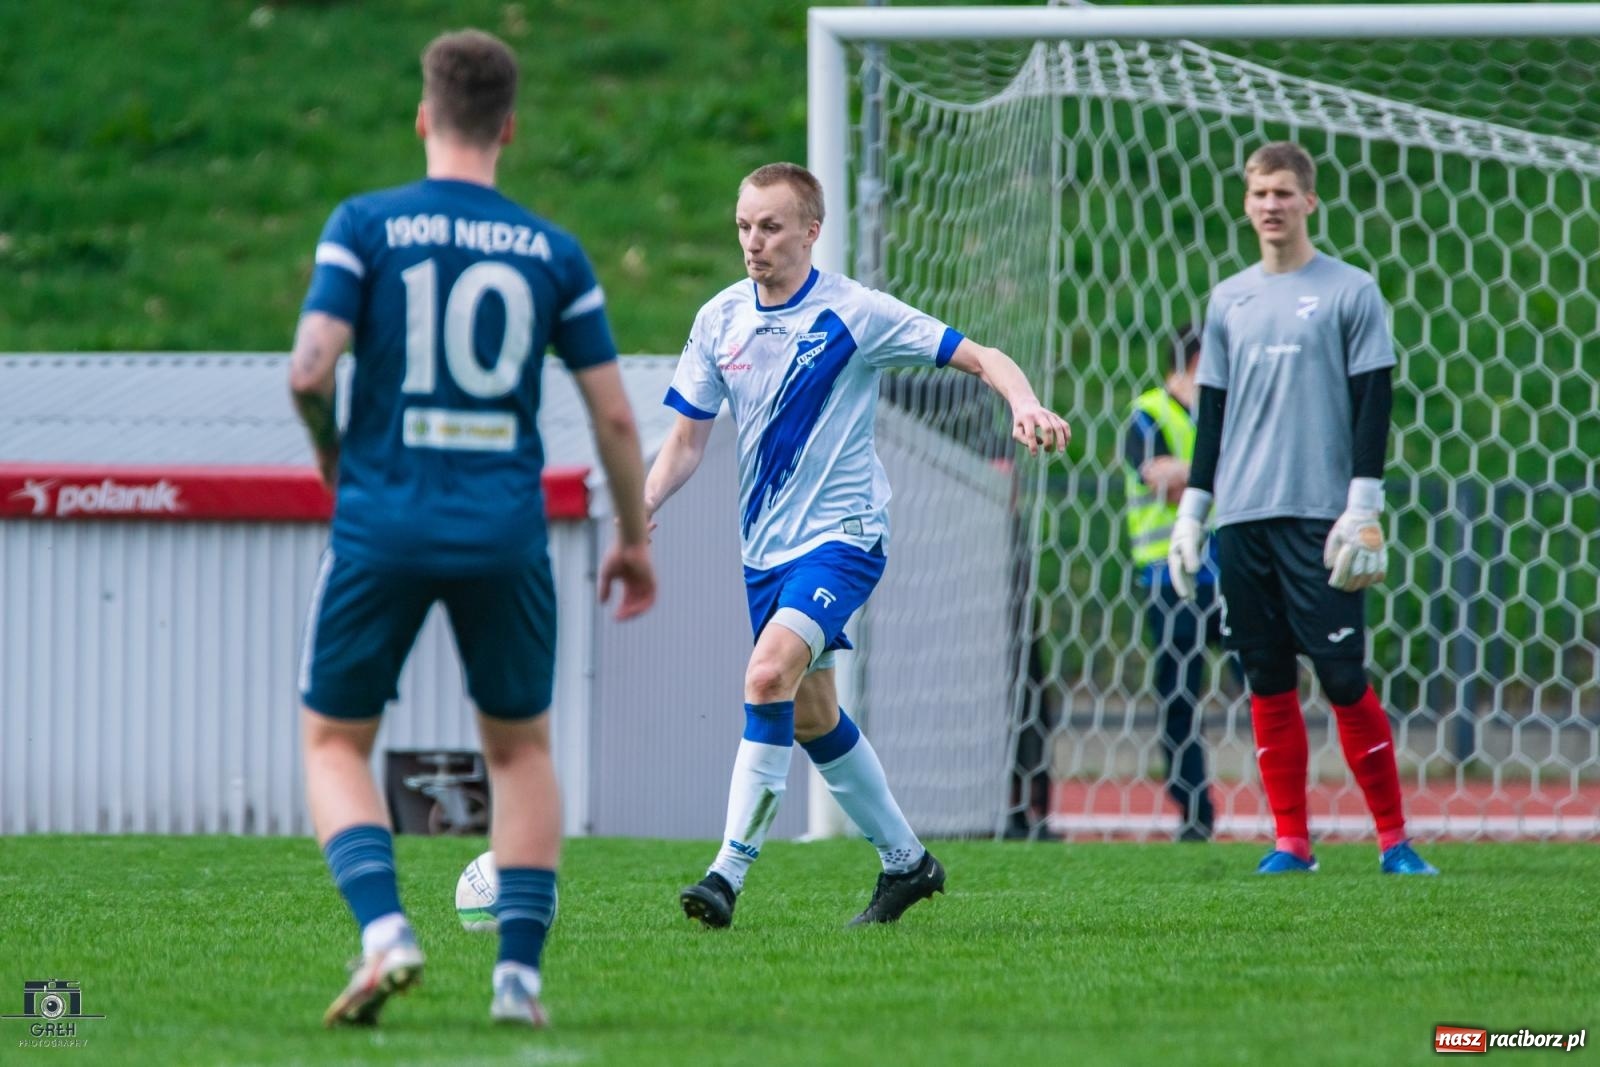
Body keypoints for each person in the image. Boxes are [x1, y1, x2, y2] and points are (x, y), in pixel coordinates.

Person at [288, 29, 656, 1028]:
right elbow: (616, 417)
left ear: (423, 116)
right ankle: (516, 980)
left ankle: (384, 931)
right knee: (520, 751)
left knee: (332, 740)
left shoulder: (362, 226)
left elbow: (309, 367)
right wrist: (633, 534)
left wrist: (331, 449)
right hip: (504, 527)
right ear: (509, 127)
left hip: (383, 520)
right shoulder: (552, 250)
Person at [644, 161, 1071, 928]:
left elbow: (979, 354)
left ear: (812, 230)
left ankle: (726, 874)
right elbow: (684, 441)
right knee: (811, 714)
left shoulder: (856, 313)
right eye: (743, 225)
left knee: (767, 673)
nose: (753, 242)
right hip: (765, 551)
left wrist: (1025, 401)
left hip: (844, 538)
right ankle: (908, 863)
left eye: (770, 226)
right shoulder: (719, 319)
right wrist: (640, 502)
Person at [1169, 141, 1437, 875]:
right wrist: (1194, 511)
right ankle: (1292, 841)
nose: (1271, 205)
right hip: (1243, 518)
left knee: (1344, 675)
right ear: (1246, 201)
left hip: (1324, 518)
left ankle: (1394, 839)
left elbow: (1373, 403)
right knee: (1267, 677)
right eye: (1260, 193)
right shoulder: (1229, 297)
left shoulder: (1352, 290)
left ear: (1309, 201)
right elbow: (1213, 415)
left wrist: (1364, 505)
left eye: (1285, 193)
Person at [1123, 325, 1221, 842]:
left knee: (1267, 675)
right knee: (1179, 692)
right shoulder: (1149, 413)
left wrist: (1197, 473)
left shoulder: (1219, 415)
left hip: (1225, 569)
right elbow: (1157, 476)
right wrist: (1215, 469)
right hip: (1169, 574)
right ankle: (1194, 810)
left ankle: (1287, 811)